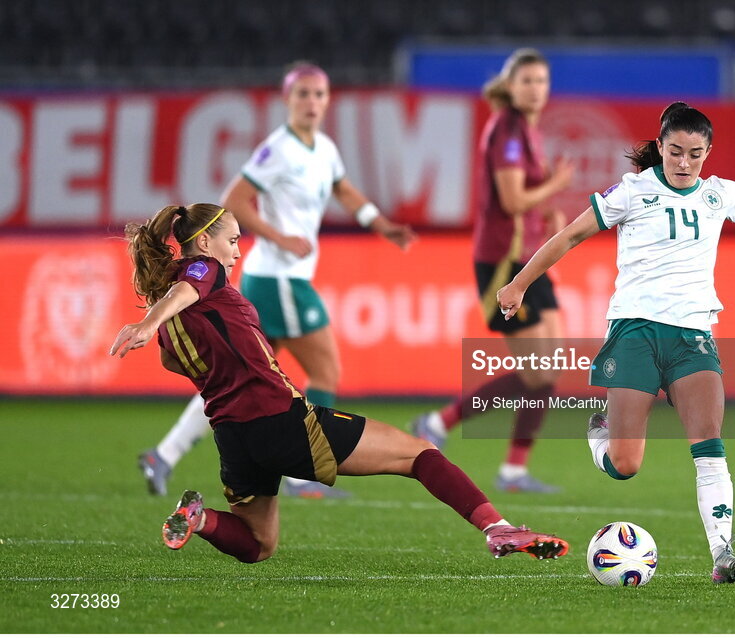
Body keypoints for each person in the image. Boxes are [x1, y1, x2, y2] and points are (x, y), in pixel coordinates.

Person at [497, 102, 735, 583]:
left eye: (695, 155)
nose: (684, 163)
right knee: (625, 465)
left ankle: (723, 557)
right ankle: (600, 436)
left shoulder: (719, 195)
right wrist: (518, 284)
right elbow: (570, 235)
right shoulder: (632, 192)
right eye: (675, 152)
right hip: (635, 332)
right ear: (659, 147)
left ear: (708, 153)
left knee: (710, 446)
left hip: (692, 338)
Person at [111, 204, 569, 564]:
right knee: (419, 453)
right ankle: (498, 527)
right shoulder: (202, 273)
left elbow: (177, 357)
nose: (236, 250)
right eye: (232, 240)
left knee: (258, 545)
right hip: (281, 421)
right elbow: (191, 284)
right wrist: (149, 323)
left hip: (233, 437)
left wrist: (164, 326)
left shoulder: (176, 321)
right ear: (204, 242)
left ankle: (201, 518)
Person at [138, 61, 415, 499]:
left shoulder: (323, 148)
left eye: (319, 94)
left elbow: (342, 189)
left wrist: (381, 224)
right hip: (279, 278)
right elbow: (232, 200)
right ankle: (304, 476)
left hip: (278, 280)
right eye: (302, 94)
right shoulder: (278, 149)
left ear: (327, 101)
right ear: (288, 100)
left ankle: (165, 454)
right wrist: (279, 236)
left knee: (236, 373)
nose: (311, 102)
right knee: (326, 367)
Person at [412, 48, 574, 493]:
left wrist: (551, 217)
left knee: (547, 368)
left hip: (530, 256)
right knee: (535, 369)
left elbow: (529, 202)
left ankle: (512, 470)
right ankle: (440, 422)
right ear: (510, 86)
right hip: (503, 261)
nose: (536, 89)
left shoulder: (526, 130)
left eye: (542, 81)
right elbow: (513, 202)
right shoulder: (506, 129)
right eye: (527, 81)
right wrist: (558, 185)